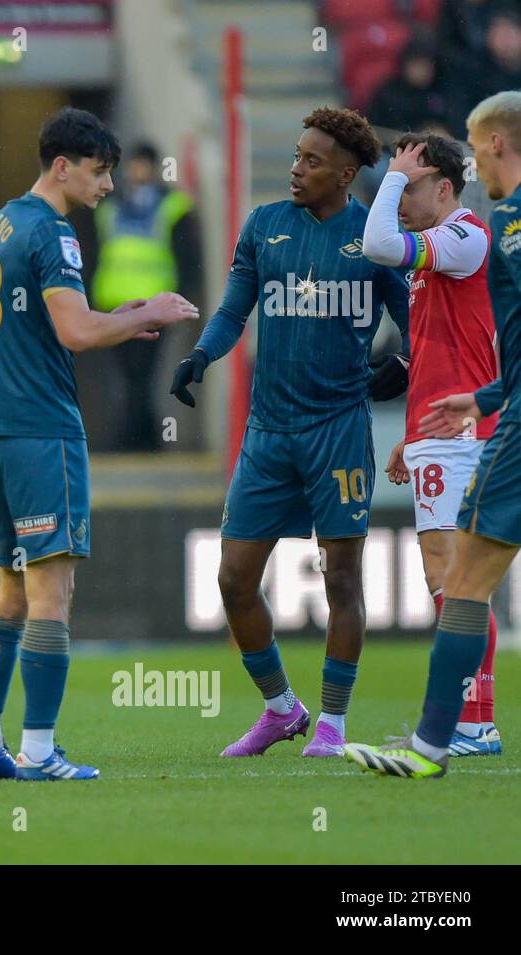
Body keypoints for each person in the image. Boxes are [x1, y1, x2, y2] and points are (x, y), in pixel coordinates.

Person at [0, 109, 199, 782]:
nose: (108, 185)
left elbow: (50, 323)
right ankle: (38, 751)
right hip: (42, 428)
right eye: (99, 172)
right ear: (62, 167)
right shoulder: (53, 231)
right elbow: (74, 334)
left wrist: (117, 318)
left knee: (10, 590)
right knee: (52, 596)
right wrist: (148, 312)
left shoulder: (2, 222)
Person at [168, 107, 410, 758]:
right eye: (296, 155)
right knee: (234, 579)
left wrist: (408, 364)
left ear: (346, 174)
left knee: (342, 581)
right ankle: (282, 709)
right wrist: (201, 354)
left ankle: (332, 723)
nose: (295, 169)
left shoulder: (377, 240)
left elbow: (416, 320)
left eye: (311, 160)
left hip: (337, 428)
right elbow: (233, 308)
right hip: (269, 429)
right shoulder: (265, 225)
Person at [347, 91, 521, 778]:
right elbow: (448, 347)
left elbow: (376, 241)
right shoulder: (457, 246)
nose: (398, 197)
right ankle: (455, 729)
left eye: (412, 186)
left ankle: (468, 725)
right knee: (446, 577)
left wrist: (393, 171)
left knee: (459, 578)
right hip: (447, 425)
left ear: (442, 187)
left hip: (475, 432)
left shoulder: (470, 234)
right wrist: (416, 431)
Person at [83, 141, 201, 450]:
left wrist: (181, 300)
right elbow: (94, 253)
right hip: (115, 302)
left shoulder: (172, 205)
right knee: (127, 377)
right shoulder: (110, 206)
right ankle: (140, 436)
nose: (139, 171)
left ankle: (134, 437)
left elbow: (187, 256)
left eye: (144, 164)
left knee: (143, 377)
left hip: (154, 307)